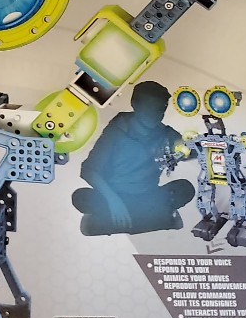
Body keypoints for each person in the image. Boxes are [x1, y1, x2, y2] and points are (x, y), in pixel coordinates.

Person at [72, 81, 195, 235]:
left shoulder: (166, 133)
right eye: (149, 106)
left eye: (160, 108)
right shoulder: (116, 131)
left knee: (185, 188)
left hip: (148, 196)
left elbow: (189, 149)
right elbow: (89, 170)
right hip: (115, 195)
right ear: (135, 104)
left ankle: (113, 223)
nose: (155, 113)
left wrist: (188, 149)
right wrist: (114, 201)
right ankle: (158, 220)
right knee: (81, 198)